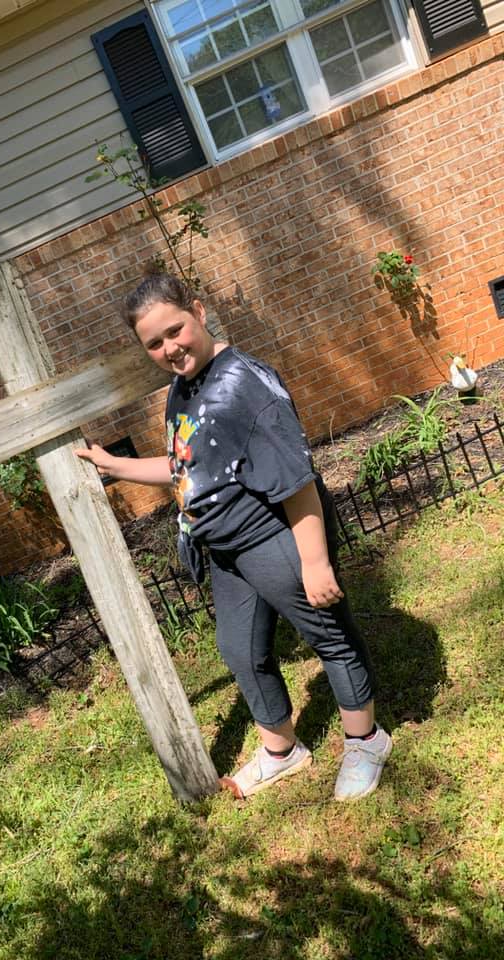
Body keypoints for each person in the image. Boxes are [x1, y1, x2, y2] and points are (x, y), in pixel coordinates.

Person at [75, 274, 391, 801]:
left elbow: (295, 480)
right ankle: (282, 751)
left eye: (175, 331)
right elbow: (187, 466)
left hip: (273, 535)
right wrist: (114, 464)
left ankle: (366, 741)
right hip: (225, 549)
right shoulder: (183, 388)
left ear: (198, 312)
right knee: (239, 649)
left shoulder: (243, 384)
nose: (170, 348)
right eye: (154, 343)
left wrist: (314, 562)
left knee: (329, 635)